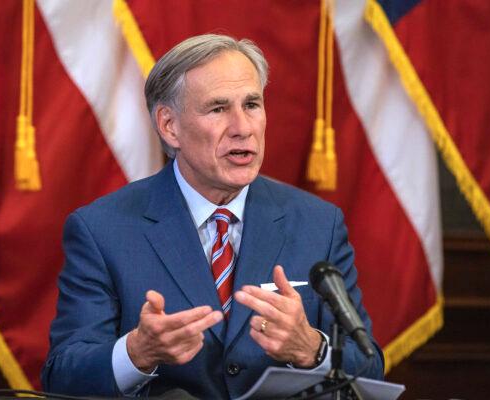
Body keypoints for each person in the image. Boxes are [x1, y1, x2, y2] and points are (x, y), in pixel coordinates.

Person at [41, 34, 384, 399]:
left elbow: (369, 367)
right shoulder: (102, 229)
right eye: (218, 109)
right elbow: (63, 375)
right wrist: (136, 353)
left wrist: (311, 350)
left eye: (251, 104)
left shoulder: (319, 224)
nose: (242, 127)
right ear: (169, 126)